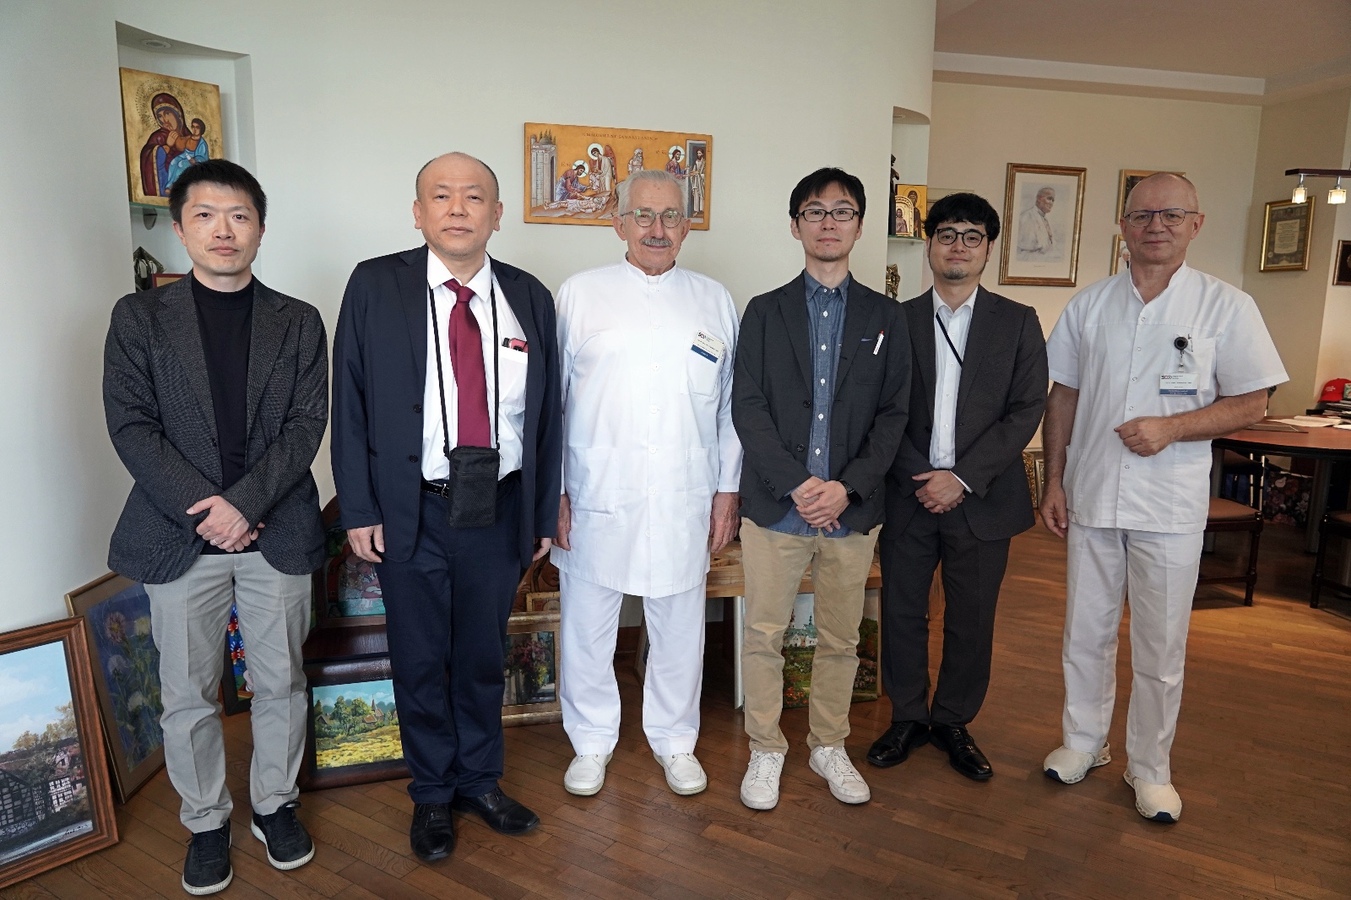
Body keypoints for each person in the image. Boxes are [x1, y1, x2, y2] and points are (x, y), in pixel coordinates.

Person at [103, 159, 326, 895]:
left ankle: (274, 805)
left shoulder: (298, 320)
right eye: (205, 215)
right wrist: (209, 509)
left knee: (281, 681)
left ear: (259, 228)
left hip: (276, 531)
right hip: (178, 535)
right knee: (188, 692)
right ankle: (205, 822)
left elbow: (305, 427)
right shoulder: (138, 319)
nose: (223, 230)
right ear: (180, 228)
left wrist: (245, 506)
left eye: (238, 216)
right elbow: (132, 428)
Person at [331, 152, 562, 861]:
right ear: (417, 212)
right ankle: (432, 793)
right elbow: (350, 403)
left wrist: (540, 514)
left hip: (499, 507)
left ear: (498, 214)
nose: (458, 208)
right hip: (412, 509)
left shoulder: (528, 296)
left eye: (474, 197)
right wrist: (358, 508)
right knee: (421, 657)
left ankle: (479, 783)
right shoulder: (375, 285)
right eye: (441, 195)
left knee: (483, 655)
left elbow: (547, 417)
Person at [1040, 173, 1287, 823]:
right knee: (1085, 632)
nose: (1156, 226)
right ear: (1122, 225)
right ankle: (1083, 741)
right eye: (1142, 215)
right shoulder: (1090, 306)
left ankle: (1149, 767)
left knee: (1159, 645)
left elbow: (1253, 401)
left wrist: (1171, 427)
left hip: (1169, 504)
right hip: (1092, 494)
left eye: (1171, 214)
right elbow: (1062, 396)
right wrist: (1053, 480)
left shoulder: (1225, 307)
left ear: (1195, 224)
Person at [553, 169, 741, 798]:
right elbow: (551, 404)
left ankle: (675, 740)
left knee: (681, 627)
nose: (656, 229)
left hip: (686, 492)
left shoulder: (715, 300)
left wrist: (727, 489)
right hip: (595, 491)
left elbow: (731, 409)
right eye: (643, 215)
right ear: (619, 223)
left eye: (670, 216)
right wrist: (554, 492)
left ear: (687, 226)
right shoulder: (580, 294)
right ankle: (591, 740)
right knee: (587, 626)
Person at [732, 167, 910, 810]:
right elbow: (748, 406)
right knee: (764, 634)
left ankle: (829, 745)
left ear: (859, 226)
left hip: (850, 512)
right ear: (795, 226)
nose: (828, 222)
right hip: (776, 507)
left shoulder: (887, 317)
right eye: (815, 211)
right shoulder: (764, 311)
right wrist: (799, 484)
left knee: (841, 637)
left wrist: (846, 488)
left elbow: (894, 414)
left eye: (841, 211)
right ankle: (766, 748)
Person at [866, 192, 1047, 782]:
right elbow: (878, 409)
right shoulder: (896, 319)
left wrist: (962, 478)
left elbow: (1026, 410)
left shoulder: (1017, 322)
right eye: (947, 234)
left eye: (972, 236)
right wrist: (922, 476)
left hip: (982, 498)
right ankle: (907, 716)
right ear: (930, 245)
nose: (958, 246)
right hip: (909, 493)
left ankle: (953, 721)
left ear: (987, 248)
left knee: (972, 617)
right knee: (902, 610)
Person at [1017, 187, 1056, 257]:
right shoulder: (1027, 217)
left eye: (1053, 200)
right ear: (1039, 198)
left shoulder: (1045, 219)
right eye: (1049, 198)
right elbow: (1025, 249)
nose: (1051, 203)